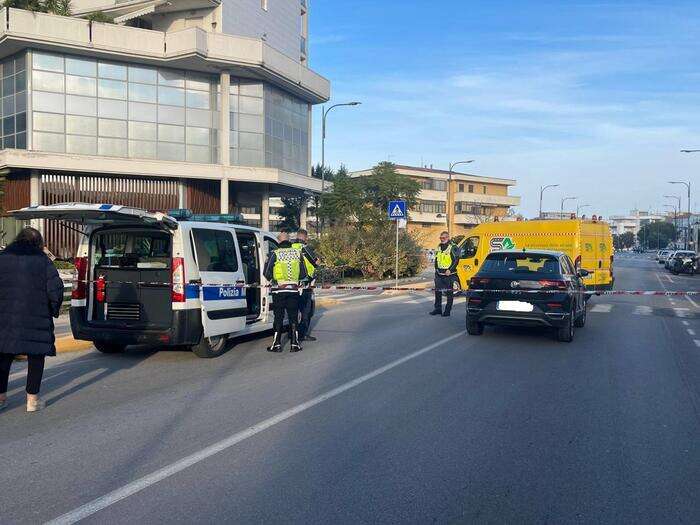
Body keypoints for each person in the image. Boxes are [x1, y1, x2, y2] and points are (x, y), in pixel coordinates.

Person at [0, 227, 64, 412]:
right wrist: (52, 310)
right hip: (36, 317)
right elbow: (56, 290)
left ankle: (1, 397)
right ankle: (32, 401)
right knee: (36, 357)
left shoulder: (3, 258)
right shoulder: (43, 261)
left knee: (3, 357)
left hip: (5, 319)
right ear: (38, 243)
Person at [263, 231, 308, 353]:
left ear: (278, 241)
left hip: (279, 290)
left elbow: (266, 272)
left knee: (278, 317)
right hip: (293, 290)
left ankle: (276, 344)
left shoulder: (275, 253)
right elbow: (303, 274)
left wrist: (274, 279)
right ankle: (294, 344)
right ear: (289, 240)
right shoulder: (297, 253)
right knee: (293, 317)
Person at [292, 229, 320, 342]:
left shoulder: (290, 248)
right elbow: (316, 262)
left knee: (293, 311)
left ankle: (292, 334)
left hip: (291, 284)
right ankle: (302, 335)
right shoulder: (305, 248)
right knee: (306, 311)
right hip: (305, 284)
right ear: (305, 237)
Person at [429, 231, 460, 317]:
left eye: (443, 238)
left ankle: (447, 311)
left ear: (447, 238)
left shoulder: (454, 247)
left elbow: (456, 260)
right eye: (440, 238)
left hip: (449, 274)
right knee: (437, 291)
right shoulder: (439, 246)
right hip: (439, 273)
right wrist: (436, 269)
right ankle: (438, 309)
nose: (441, 239)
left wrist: (450, 269)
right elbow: (437, 258)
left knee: (449, 293)